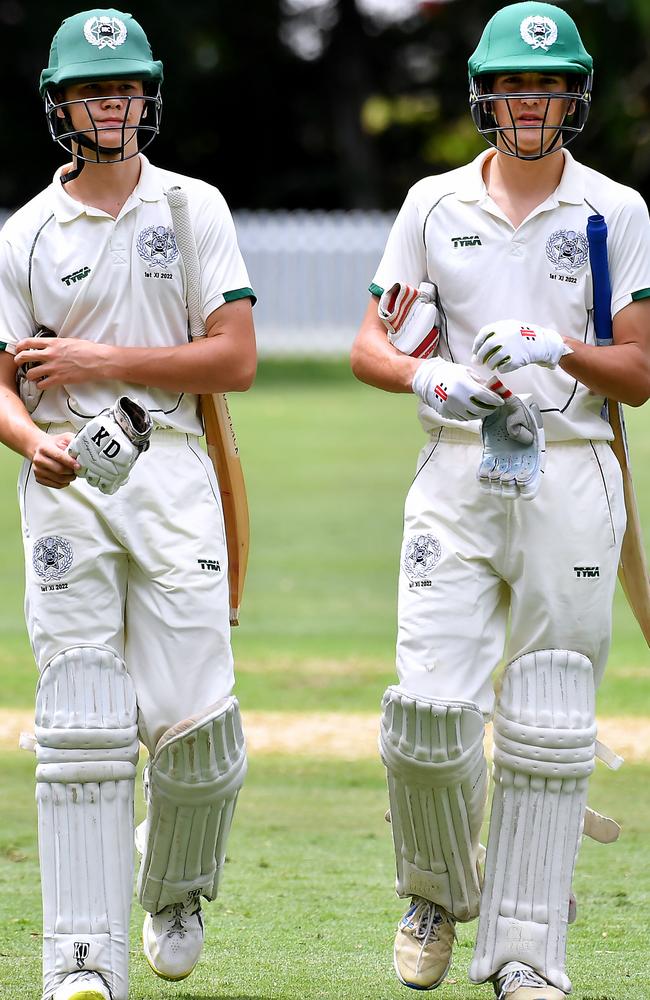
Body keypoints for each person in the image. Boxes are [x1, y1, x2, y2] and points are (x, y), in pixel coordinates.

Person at [351, 3, 650, 998]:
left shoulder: (614, 210)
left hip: (569, 465)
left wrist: (553, 346)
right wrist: (421, 378)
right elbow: (370, 344)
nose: (532, 102)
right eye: (516, 87)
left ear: (573, 97)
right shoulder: (432, 205)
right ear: (487, 96)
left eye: (550, 85)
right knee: (429, 713)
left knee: (546, 718)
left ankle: (524, 951)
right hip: (455, 468)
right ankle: (433, 888)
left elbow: (637, 372)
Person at [0, 9, 256, 1000]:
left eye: (130, 89)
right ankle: (80, 959)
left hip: (171, 468)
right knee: (81, 726)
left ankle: (174, 884)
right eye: (95, 92)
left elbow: (231, 358)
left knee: (200, 737)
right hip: (66, 481)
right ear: (62, 107)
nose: (116, 106)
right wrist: (34, 441)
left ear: (149, 97)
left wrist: (102, 360)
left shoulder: (192, 209)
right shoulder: (24, 234)